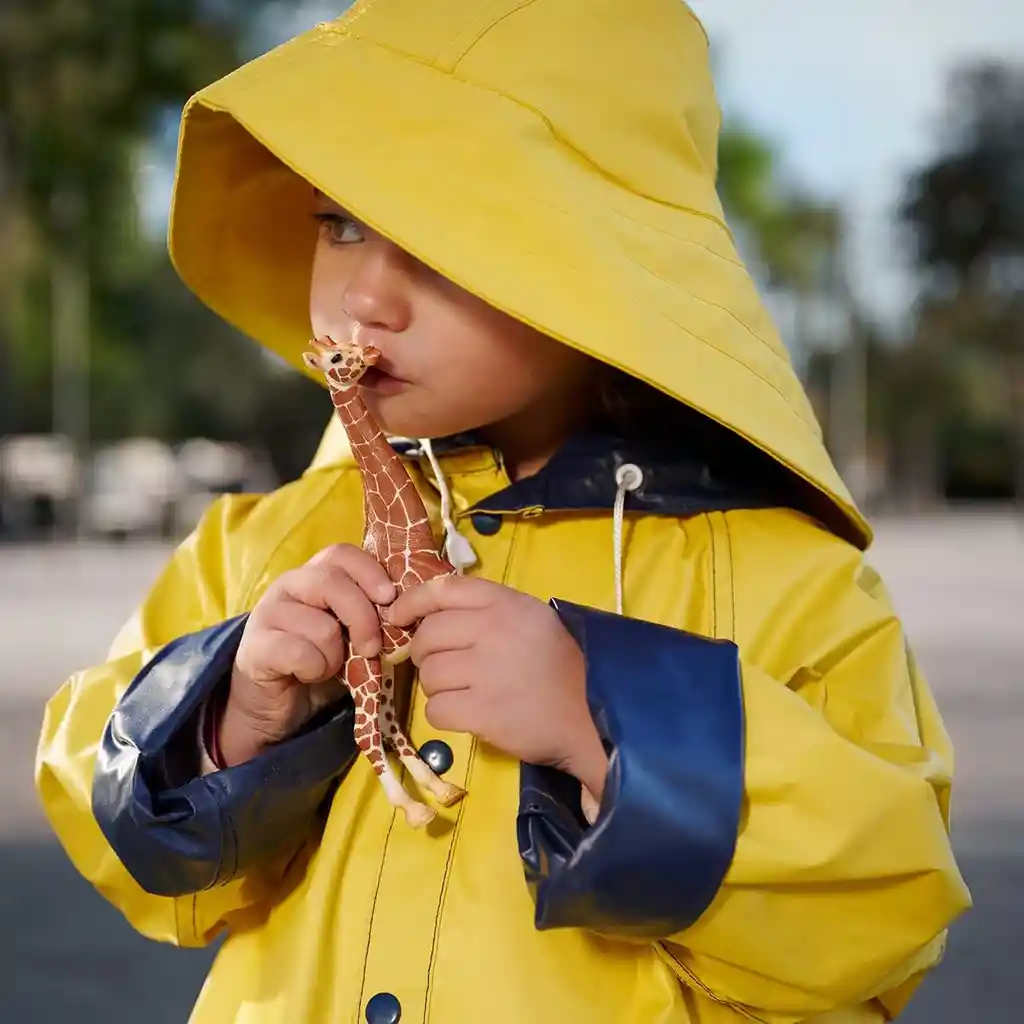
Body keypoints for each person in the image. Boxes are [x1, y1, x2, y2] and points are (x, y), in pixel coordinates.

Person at [35, 1, 971, 1021]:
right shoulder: (265, 544)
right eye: (342, 223)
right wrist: (232, 715)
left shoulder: (786, 579)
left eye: (439, 238)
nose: (366, 300)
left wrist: (609, 724)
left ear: (607, 268)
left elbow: (883, 912)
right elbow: (114, 827)